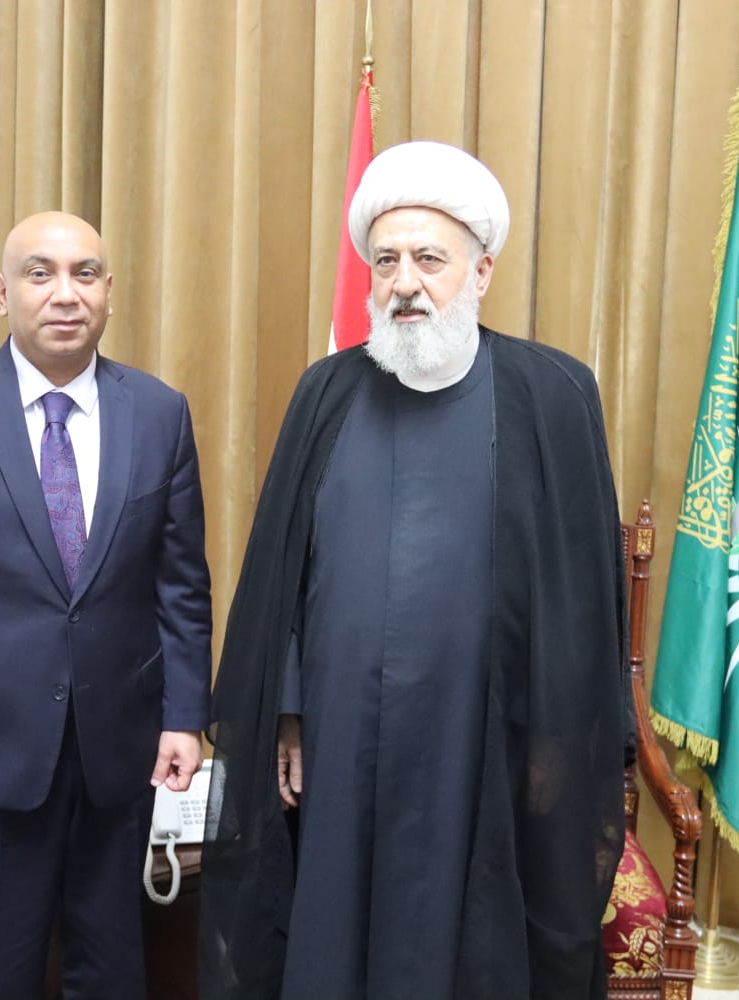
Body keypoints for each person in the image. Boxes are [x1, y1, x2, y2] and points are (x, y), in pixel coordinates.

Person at [199, 142, 628, 999]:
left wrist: (556, 739)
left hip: (487, 734)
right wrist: (289, 711)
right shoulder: (325, 393)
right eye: (386, 261)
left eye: (430, 260)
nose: (405, 283)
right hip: (341, 730)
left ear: (482, 271)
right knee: (334, 930)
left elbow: (584, 597)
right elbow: (281, 574)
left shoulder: (553, 394)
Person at [0, 211, 212, 1000]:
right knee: (1, 973)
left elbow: (182, 584)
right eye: (39, 273)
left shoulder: (159, 412)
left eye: (84, 274)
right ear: (2, 292)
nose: (64, 293)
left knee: (113, 967)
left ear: (108, 292)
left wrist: (185, 716)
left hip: (119, 745)